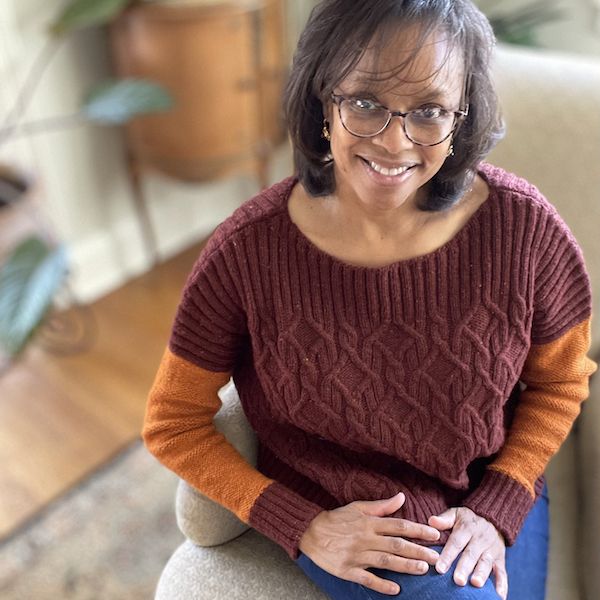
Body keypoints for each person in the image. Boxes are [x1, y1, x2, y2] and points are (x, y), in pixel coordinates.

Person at [143, 1, 598, 598]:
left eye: (429, 111)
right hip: (347, 514)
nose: (394, 140)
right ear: (322, 101)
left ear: (461, 117)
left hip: (486, 491)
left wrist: (500, 503)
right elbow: (172, 420)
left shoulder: (527, 231)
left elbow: (560, 383)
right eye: (365, 103)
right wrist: (297, 523)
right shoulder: (246, 254)